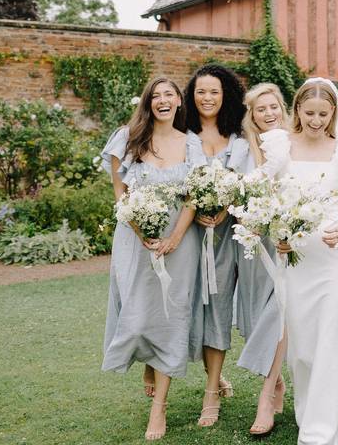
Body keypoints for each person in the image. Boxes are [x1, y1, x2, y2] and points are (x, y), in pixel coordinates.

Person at [260, 78, 338, 444]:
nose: (316, 120)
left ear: (333, 113)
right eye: (309, 112)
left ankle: (319, 432)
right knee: (303, 345)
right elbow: (269, 204)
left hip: (334, 259)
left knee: (330, 338)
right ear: (297, 110)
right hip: (297, 262)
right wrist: (277, 235)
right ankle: (321, 409)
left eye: (323, 113)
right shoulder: (280, 148)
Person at [100, 77, 203, 441]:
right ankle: (149, 360)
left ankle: (159, 407)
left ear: (178, 101)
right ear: (148, 102)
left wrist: (175, 237)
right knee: (137, 311)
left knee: (171, 315)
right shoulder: (127, 138)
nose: (162, 100)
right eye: (155, 95)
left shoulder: (192, 143)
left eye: (169, 95)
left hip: (180, 243)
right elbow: (120, 194)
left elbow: (194, 196)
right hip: (135, 241)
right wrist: (143, 232)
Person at [183, 64, 246, 427]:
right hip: (188, 234)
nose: (207, 98)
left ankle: (210, 394)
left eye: (214, 92)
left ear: (226, 96)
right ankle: (214, 376)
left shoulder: (237, 139)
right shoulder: (183, 134)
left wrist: (223, 208)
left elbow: (243, 181)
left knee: (218, 306)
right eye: (201, 92)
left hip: (224, 236)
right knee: (191, 306)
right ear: (192, 96)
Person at [233, 82, 291, 435]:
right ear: (252, 116)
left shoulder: (293, 143)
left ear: (282, 109)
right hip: (255, 242)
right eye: (261, 109)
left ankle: (265, 396)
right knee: (255, 319)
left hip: (286, 242)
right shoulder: (244, 150)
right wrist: (248, 221)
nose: (268, 114)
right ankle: (279, 380)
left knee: (280, 314)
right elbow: (238, 193)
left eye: (273, 107)